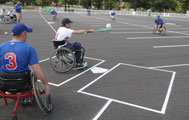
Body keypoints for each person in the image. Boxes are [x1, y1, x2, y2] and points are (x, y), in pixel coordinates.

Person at [0, 23, 50, 97]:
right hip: (22, 84)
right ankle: (33, 90)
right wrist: (46, 84)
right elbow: (37, 70)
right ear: (23, 34)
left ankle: (10, 91)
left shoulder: (1, 46)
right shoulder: (29, 48)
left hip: (4, 84)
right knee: (33, 71)